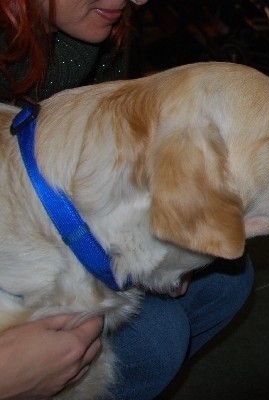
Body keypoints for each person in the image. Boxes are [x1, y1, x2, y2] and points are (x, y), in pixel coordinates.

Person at [0, 1, 253, 399]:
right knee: (157, 342)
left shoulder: (100, 35)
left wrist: (167, 243)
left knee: (227, 279)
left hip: (63, 241)